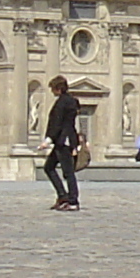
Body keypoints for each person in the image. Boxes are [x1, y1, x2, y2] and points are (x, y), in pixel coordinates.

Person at [42, 74, 83, 211]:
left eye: (53, 89)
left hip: (63, 141)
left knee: (68, 172)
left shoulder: (62, 103)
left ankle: (72, 201)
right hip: (66, 140)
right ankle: (62, 196)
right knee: (49, 167)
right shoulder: (72, 101)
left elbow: (57, 123)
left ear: (58, 88)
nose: (52, 91)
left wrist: (48, 140)